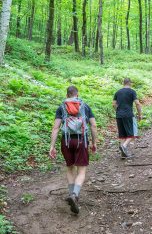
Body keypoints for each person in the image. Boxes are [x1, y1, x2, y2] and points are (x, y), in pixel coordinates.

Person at [49, 86, 97, 214]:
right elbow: (93, 125)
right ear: (77, 94)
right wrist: (94, 142)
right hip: (81, 140)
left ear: (67, 95)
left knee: (70, 168)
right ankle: (75, 195)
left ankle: (71, 194)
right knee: (81, 170)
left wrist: (52, 146)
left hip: (66, 140)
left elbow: (55, 128)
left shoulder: (62, 107)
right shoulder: (85, 106)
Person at [113, 78, 142, 158]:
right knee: (132, 134)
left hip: (119, 115)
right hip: (128, 115)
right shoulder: (132, 92)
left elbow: (114, 104)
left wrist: (118, 111)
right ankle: (124, 146)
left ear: (123, 83)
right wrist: (140, 115)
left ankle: (123, 154)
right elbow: (137, 104)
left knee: (122, 135)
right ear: (130, 83)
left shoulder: (118, 92)